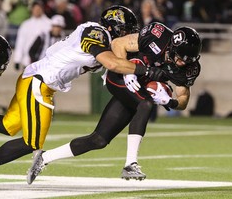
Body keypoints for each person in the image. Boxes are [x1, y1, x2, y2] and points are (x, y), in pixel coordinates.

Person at [0, 5, 164, 191]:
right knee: (31, 143)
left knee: (9, 125)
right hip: (40, 82)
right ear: (115, 27)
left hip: (36, 79)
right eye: (126, 30)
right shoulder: (97, 33)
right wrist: (146, 71)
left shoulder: (100, 36)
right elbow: (111, 64)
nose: (128, 35)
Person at [26, 23, 202, 184]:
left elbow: (183, 100)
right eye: (180, 57)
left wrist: (170, 101)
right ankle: (130, 164)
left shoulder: (189, 68)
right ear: (171, 46)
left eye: (188, 60)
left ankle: (44, 158)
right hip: (121, 76)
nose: (183, 63)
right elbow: (118, 43)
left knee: (99, 139)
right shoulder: (158, 35)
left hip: (138, 87)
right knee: (146, 104)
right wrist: (128, 72)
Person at [13, 0, 52, 70]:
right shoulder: (25, 24)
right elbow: (20, 42)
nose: (37, 10)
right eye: (35, 9)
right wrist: (17, 59)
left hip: (44, 61)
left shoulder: (49, 24)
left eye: (39, 8)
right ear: (32, 10)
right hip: (27, 61)